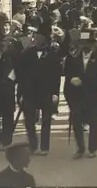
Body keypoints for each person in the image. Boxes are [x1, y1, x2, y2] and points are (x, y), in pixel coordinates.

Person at [63, 28, 97, 159]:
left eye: (90, 43)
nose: (86, 46)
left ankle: (92, 149)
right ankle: (80, 148)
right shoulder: (73, 57)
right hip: (77, 96)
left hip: (93, 97)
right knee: (77, 123)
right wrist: (71, 80)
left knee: (93, 123)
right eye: (84, 43)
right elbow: (67, 75)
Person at [18, 23, 62, 155]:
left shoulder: (52, 54)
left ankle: (44, 147)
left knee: (46, 120)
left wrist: (55, 93)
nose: (36, 39)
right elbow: (21, 75)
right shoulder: (27, 54)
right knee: (29, 121)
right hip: (29, 92)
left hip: (46, 91)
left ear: (45, 39)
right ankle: (33, 143)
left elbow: (57, 76)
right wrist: (20, 93)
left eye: (40, 37)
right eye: (36, 36)